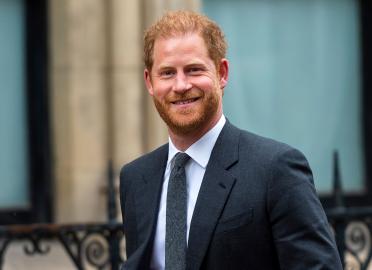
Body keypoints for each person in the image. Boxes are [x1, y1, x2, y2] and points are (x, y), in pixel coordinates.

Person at [120, 10, 342, 270]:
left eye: (193, 70)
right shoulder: (135, 178)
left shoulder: (275, 170)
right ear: (149, 81)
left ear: (222, 73)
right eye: (167, 73)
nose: (180, 85)